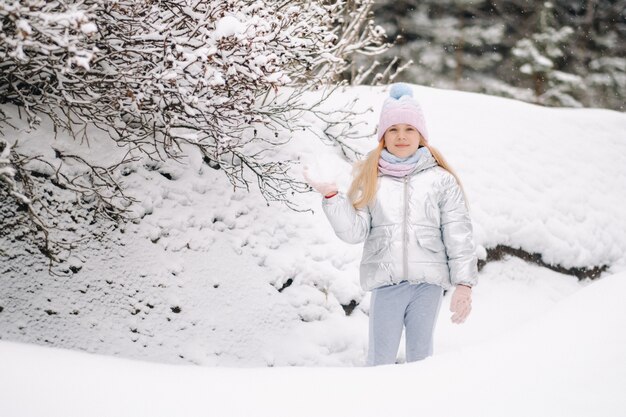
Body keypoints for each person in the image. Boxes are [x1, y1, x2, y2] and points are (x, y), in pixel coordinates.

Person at [303, 83, 478, 366]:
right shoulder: (372, 178)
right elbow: (354, 231)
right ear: (383, 136)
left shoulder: (441, 180)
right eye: (393, 129)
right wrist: (332, 197)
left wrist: (464, 284)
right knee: (380, 361)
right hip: (387, 285)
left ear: (421, 134)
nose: (401, 136)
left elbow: (459, 235)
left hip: (427, 286)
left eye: (409, 129)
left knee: (421, 361)